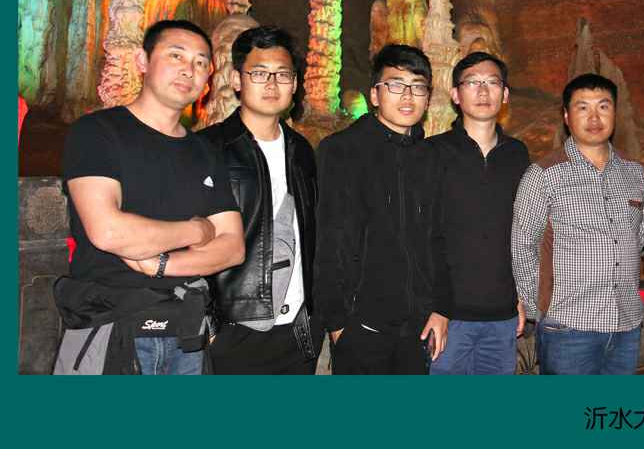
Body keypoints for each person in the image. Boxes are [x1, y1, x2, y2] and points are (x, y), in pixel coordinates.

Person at [54, 20, 244, 375]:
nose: (189, 69)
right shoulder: (97, 132)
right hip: (113, 326)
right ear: (142, 61)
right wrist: (197, 231)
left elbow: (232, 247)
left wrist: (159, 263)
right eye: (176, 55)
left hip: (185, 331)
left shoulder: (205, 151)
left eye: (201, 62)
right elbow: (109, 232)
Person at [315, 44, 449, 374]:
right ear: (375, 95)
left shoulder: (431, 158)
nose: (408, 96)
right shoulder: (342, 151)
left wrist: (441, 308)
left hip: (417, 327)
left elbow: (440, 238)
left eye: (418, 87)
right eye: (396, 85)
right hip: (361, 327)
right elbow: (328, 240)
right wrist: (337, 322)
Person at [200, 26, 322, 374]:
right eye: (259, 73)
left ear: (295, 84)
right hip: (235, 327)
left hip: (298, 328)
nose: (272, 84)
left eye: (282, 74)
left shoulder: (302, 151)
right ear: (236, 80)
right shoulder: (209, 149)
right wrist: (210, 325)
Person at [512, 73, 644, 375]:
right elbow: (523, 245)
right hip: (569, 327)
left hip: (626, 325)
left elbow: (638, 237)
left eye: (603, 106)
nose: (594, 117)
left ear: (615, 113)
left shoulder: (634, 172)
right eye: (583, 107)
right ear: (566, 116)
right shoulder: (543, 174)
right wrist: (538, 310)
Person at [427, 52, 530, 375]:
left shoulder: (517, 154)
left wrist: (520, 296)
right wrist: (433, 307)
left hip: (502, 315)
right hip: (447, 315)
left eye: (492, 83)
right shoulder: (432, 152)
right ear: (455, 95)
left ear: (505, 94)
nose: (483, 91)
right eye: (472, 82)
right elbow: (423, 235)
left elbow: (523, 232)